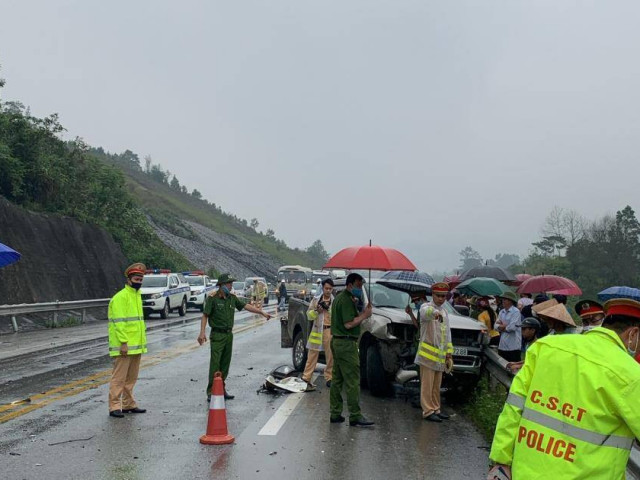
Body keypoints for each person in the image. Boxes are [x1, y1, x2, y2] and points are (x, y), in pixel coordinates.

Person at [487, 298, 640, 480]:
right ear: (633, 334)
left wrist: (501, 459)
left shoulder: (545, 348)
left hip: (525, 473)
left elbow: (513, 408)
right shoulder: (630, 374)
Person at [197, 273, 272, 401]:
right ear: (221, 285)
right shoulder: (212, 298)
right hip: (217, 335)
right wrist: (202, 332)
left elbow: (245, 306)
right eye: (229, 283)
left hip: (228, 335)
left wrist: (261, 312)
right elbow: (205, 315)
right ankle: (211, 391)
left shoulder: (232, 298)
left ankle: (221, 389)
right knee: (215, 364)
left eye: (231, 283)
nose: (231, 285)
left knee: (225, 365)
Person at [329, 273, 374, 427]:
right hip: (346, 344)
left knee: (337, 379)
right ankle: (355, 415)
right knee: (353, 380)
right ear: (350, 285)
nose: (360, 289)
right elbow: (348, 324)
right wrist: (365, 315)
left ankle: (335, 413)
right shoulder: (346, 300)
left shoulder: (340, 298)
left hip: (337, 342)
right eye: (358, 286)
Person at [108, 263, 148, 418]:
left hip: (136, 346)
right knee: (119, 379)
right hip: (123, 346)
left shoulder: (136, 296)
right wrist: (124, 343)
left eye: (141, 279)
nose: (139, 281)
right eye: (136, 278)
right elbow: (119, 323)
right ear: (129, 279)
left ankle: (128, 404)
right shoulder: (121, 297)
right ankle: (114, 406)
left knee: (131, 379)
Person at [413, 282, 453, 423]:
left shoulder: (445, 312)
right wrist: (435, 313)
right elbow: (426, 313)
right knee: (427, 386)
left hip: (440, 357)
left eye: (443, 296)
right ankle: (427, 411)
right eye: (438, 296)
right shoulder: (426, 307)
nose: (441, 299)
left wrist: (449, 353)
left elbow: (447, 334)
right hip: (427, 356)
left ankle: (436, 409)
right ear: (432, 295)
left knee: (436, 386)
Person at [302, 278, 335, 389]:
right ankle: (306, 377)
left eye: (330, 289)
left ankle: (329, 377)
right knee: (312, 355)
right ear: (322, 288)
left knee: (330, 356)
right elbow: (308, 315)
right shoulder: (316, 300)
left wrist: (328, 308)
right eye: (326, 288)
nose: (328, 291)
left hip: (329, 331)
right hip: (316, 331)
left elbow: (336, 317)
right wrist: (317, 311)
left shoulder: (334, 302)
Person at [495, 291, 522, 362]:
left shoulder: (516, 312)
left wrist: (501, 327)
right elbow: (495, 326)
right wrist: (504, 326)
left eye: (505, 299)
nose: (503, 301)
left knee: (513, 369)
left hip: (513, 347)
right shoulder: (501, 312)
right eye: (503, 299)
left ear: (510, 301)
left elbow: (512, 328)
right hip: (502, 346)